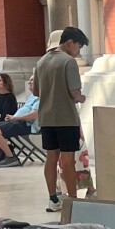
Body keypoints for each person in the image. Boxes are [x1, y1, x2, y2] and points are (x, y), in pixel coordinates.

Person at [33, 26, 89, 211]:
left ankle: (53, 199)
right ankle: (72, 201)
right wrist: (83, 98)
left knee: (51, 157)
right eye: (78, 47)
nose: (78, 51)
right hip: (65, 118)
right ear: (70, 43)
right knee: (68, 160)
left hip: (46, 117)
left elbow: (36, 91)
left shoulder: (41, 61)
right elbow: (74, 93)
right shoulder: (69, 62)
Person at [0, 76, 41, 166]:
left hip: (28, 125)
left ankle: (11, 158)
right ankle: (0, 155)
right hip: (18, 121)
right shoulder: (32, 96)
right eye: (29, 80)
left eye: (32, 80)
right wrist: (13, 117)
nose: (29, 82)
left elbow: (32, 116)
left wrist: (15, 118)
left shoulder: (40, 98)